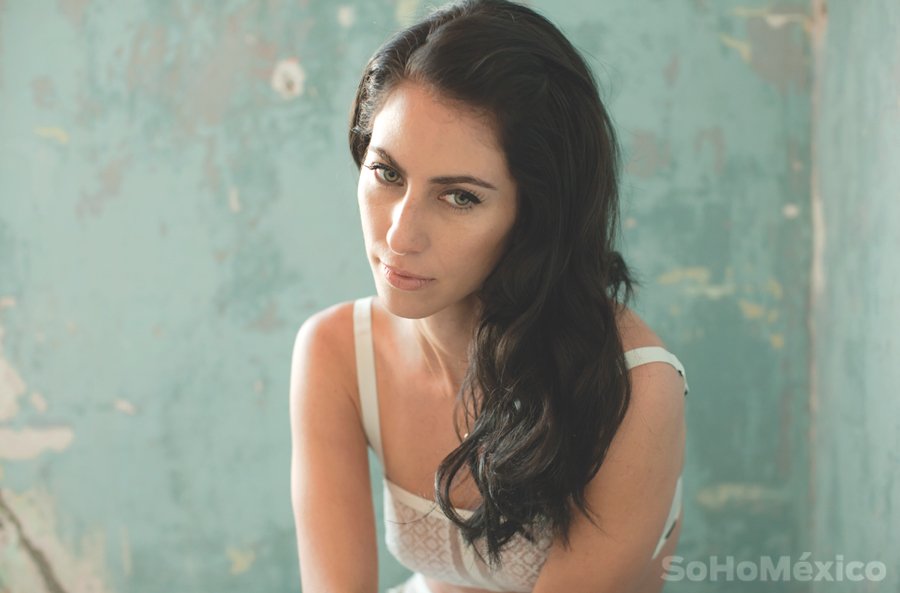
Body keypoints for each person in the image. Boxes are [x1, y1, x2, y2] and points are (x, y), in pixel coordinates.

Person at [290, 1, 690, 591]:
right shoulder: (335, 352)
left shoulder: (634, 387)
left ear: (537, 212)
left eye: (460, 197)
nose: (399, 236)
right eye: (387, 173)